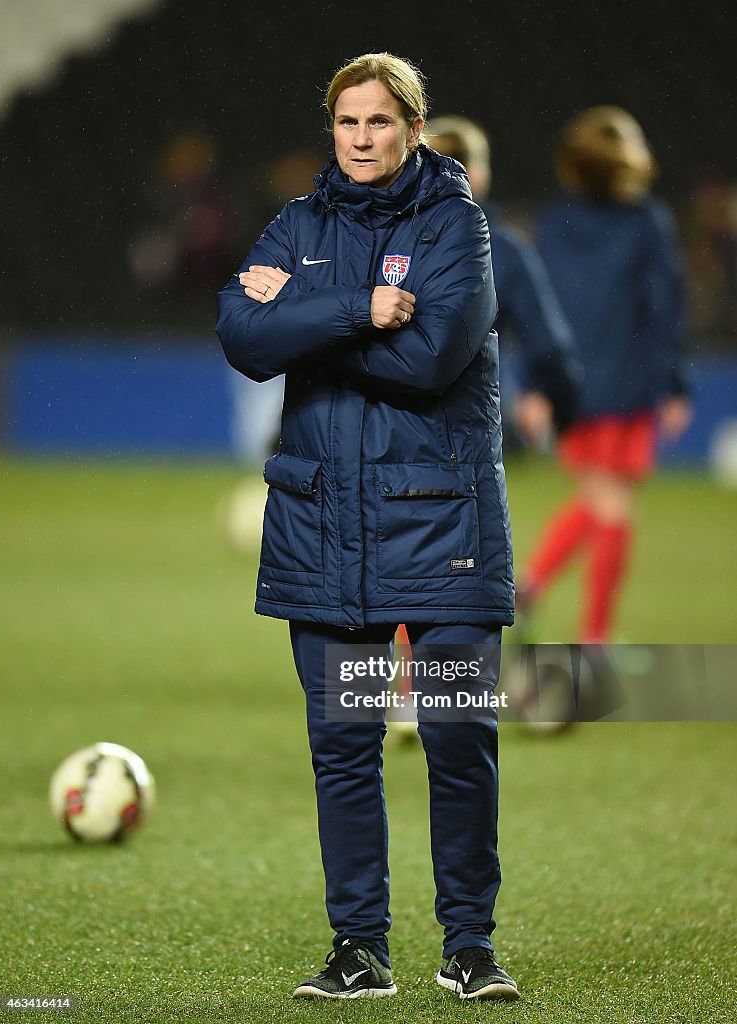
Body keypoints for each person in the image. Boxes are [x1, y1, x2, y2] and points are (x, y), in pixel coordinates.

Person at [216, 53, 519, 1002]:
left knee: (456, 733)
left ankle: (467, 945)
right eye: (346, 123)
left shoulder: (454, 226)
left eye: (378, 123)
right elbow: (238, 335)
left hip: (442, 528)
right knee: (345, 748)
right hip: (327, 532)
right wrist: (352, 310)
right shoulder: (297, 224)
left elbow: (431, 358)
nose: (359, 139)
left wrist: (303, 330)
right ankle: (360, 951)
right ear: (331, 130)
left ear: (413, 129)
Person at [516, 107, 692, 643]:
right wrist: (676, 385)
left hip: (571, 385)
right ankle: (594, 640)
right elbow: (665, 308)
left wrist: (532, 384)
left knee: (600, 500)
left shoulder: (553, 223)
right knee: (612, 505)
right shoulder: (647, 223)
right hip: (626, 382)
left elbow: (533, 309)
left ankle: (531, 589)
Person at [427, 115, 581, 447]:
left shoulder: (380, 239)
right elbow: (546, 341)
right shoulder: (504, 250)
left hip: (385, 415)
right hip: (472, 419)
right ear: (478, 175)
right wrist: (548, 395)